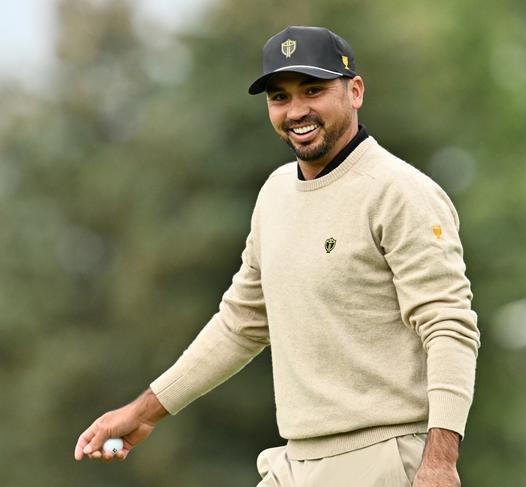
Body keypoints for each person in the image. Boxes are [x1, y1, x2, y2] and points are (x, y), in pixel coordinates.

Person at [74, 26, 480, 487]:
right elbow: (240, 322)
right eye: (279, 97)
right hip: (294, 462)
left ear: (356, 91)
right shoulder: (275, 195)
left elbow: (448, 326)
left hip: (384, 459)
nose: (297, 111)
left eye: (314, 90)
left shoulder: (400, 192)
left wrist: (441, 461)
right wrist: (143, 412)